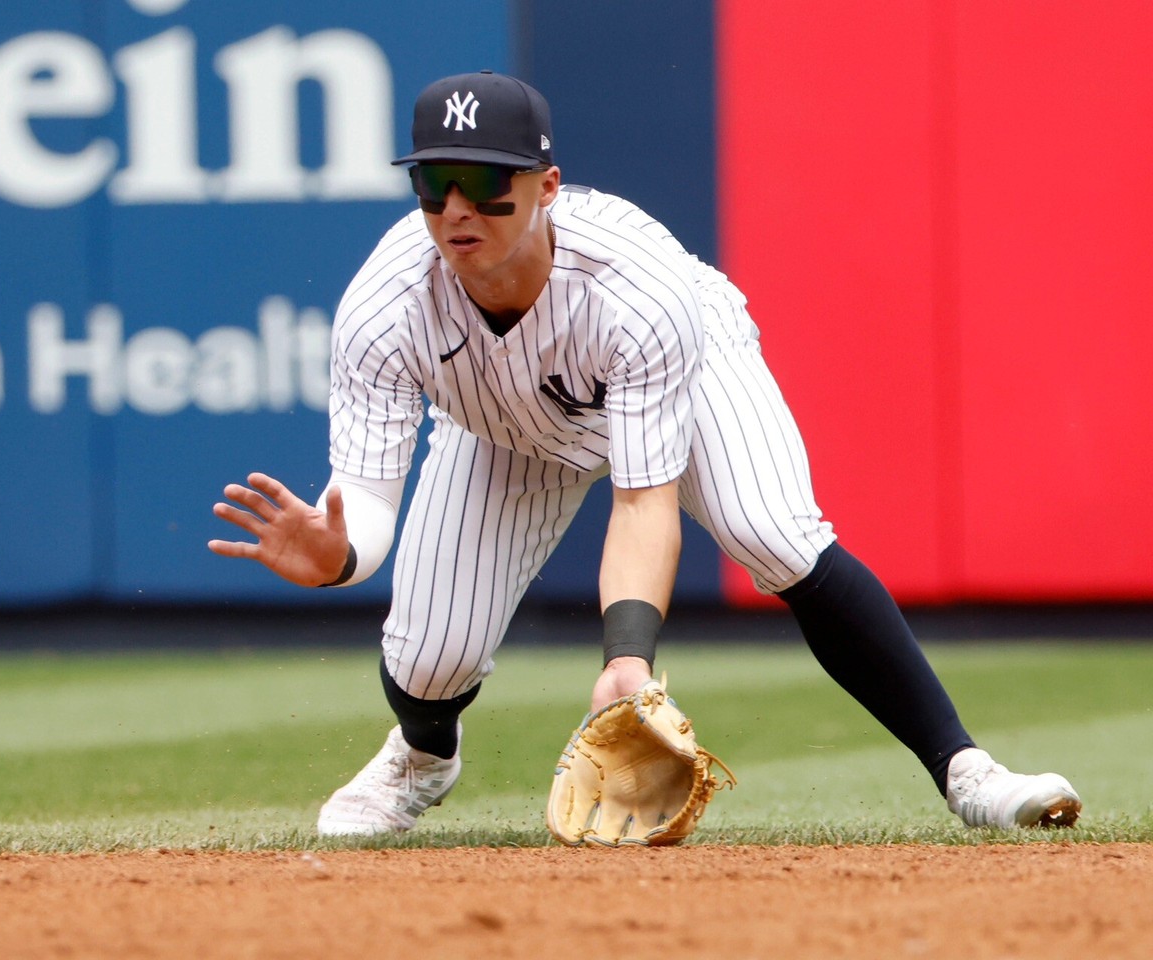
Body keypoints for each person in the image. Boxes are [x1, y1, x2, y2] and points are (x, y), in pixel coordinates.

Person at [209, 71, 1082, 836]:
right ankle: (422, 757)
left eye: (486, 182)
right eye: (435, 183)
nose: (459, 210)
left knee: (771, 532)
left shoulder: (635, 286)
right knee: (431, 656)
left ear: (548, 185)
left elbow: (642, 502)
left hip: (685, 372)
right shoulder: (386, 305)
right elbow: (361, 494)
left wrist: (626, 663)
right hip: (508, 428)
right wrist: (340, 557)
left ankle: (967, 772)